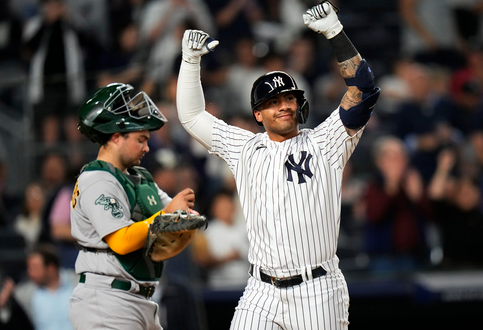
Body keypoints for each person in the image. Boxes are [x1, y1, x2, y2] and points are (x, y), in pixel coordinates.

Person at [176, 2, 380, 329]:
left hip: (317, 291)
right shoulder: (245, 147)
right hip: (261, 290)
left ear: (299, 104)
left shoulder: (325, 142)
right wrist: (190, 60)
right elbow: (191, 116)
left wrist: (335, 32)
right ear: (258, 114)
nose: (283, 106)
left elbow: (364, 90)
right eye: (272, 103)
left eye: (288, 99)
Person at [69, 82, 199, 330]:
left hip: (139, 300)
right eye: (141, 139)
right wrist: (167, 215)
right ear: (116, 136)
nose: (147, 147)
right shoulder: (96, 179)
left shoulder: (138, 177)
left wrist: (183, 216)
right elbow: (121, 240)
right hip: (107, 300)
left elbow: (175, 213)